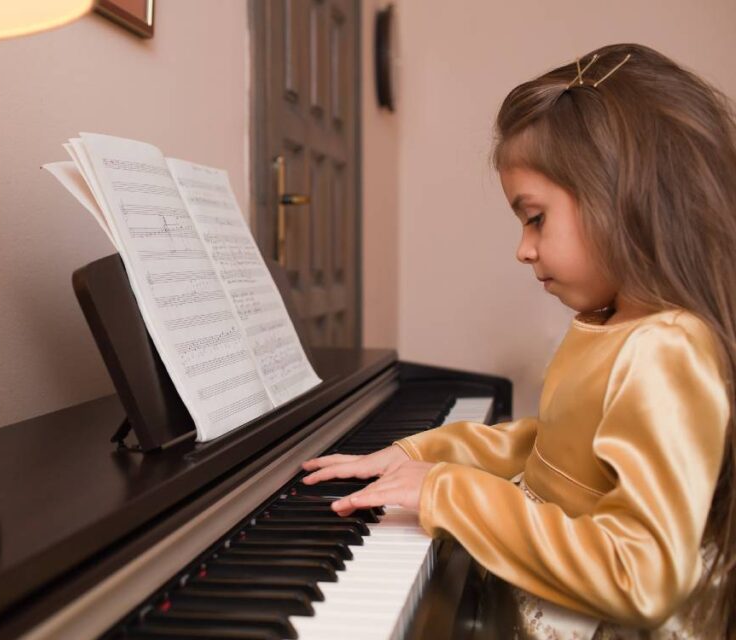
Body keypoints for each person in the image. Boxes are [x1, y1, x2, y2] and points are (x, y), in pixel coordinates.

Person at [302, 43, 736, 639]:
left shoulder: (667, 349)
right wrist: (422, 455)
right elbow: (555, 453)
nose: (523, 248)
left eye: (535, 218)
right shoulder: (618, 324)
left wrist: (449, 492)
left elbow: (643, 574)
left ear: (624, 198)